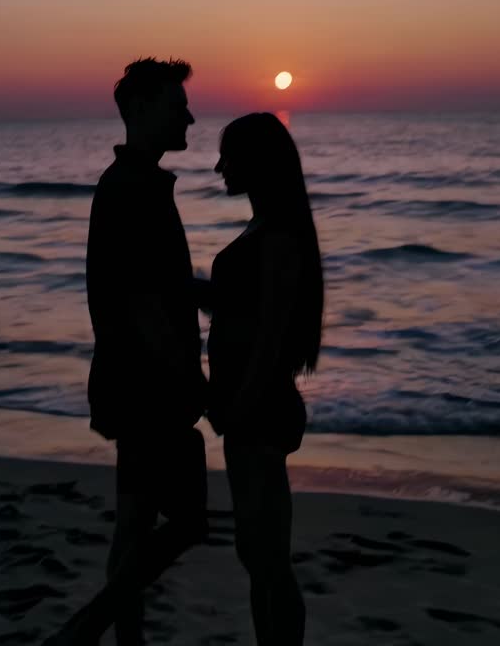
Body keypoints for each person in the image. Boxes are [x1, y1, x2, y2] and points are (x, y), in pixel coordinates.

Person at [46, 58, 208, 646]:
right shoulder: (133, 188)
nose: (188, 116)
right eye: (175, 105)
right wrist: (190, 380)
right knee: (185, 521)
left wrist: (213, 294)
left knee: (137, 524)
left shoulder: (137, 184)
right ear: (139, 110)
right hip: (148, 389)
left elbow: (156, 283)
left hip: (134, 382)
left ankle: (120, 638)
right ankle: (87, 628)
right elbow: (142, 304)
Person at [207, 112, 324, 646]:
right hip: (246, 407)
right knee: (255, 553)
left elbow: (272, 335)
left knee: (267, 556)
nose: (218, 167)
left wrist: (239, 403)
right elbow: (239, 311)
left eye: (229, 156)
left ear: (256, 162)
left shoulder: (277, 236)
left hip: (260, 406)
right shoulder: (263, 229)